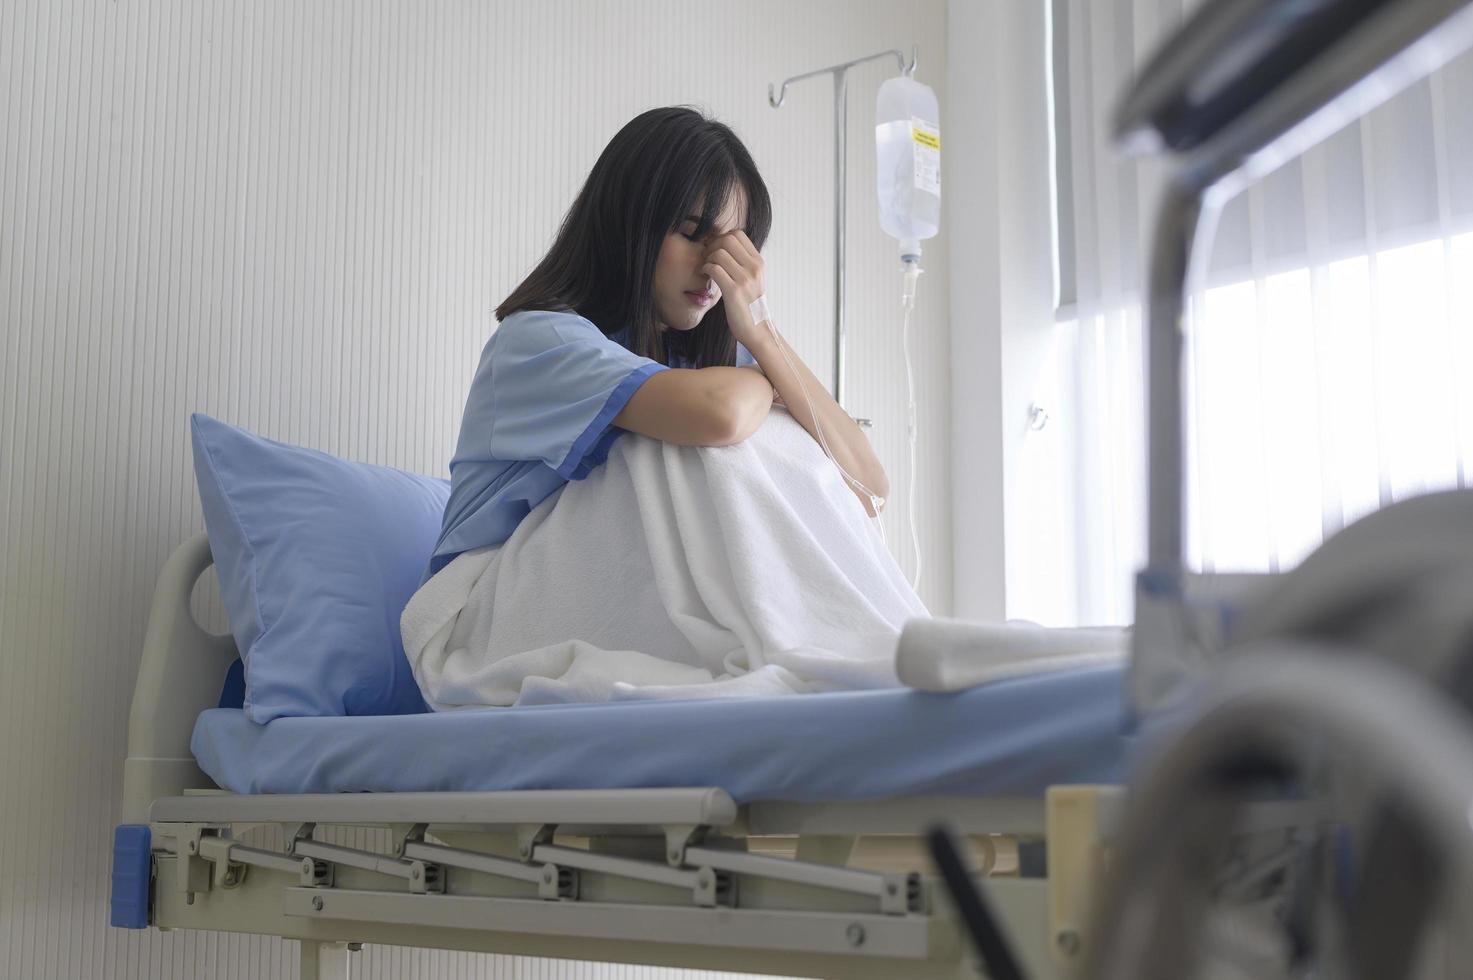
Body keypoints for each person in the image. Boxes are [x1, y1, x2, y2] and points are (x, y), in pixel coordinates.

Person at [422, 105, 889, 583]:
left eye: (733, 249)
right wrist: (764, 378)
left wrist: (762, 333)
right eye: (692, 234)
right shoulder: (539, 340)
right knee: (670, 455)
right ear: (629, 224)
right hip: (481, 605)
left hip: (595, 593)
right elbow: (720, 414)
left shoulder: (706, 361)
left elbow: (868, 488)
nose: (714, 269)